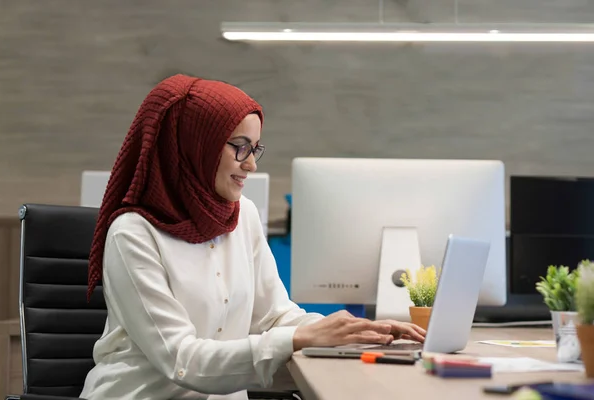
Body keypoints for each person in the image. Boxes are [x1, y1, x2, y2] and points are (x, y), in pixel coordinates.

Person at [79, 74, 426, 400]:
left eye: (255, 149)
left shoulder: (241, 214)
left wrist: (358, 334)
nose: (251, 165)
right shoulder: (132, 233)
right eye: (239, 147)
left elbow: (274, 317)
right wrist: (299, 337)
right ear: (193, 147)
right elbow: (181, 359)